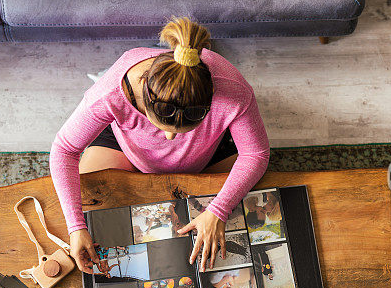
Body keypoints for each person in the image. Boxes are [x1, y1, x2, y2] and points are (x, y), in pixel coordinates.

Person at [50, 17, 270, 272]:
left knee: (253, 195)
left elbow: (256, 154)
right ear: (144, 94)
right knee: (85, 205)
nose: (170, 139)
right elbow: (64, 150)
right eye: (161, 127)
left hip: (209, 153)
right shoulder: (110, 94)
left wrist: (218, 210)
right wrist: (76, 227)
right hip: (127, 149)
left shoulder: (233, 90)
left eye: (182, 130)